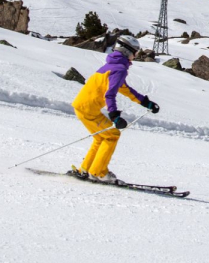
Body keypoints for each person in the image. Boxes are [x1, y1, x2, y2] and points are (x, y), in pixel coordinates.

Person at [69, 34, 160, 183]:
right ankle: (98, 172)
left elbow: (125, 89)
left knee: (100, 138)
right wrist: (114, 116)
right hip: (88, 109)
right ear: (128, 52)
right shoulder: (119, 69)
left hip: (82, 105)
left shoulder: (111, 66)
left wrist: (146, 103)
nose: (135, 56)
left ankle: (85, 170)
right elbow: (110, 94)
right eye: (135, 52)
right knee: (112, 136)